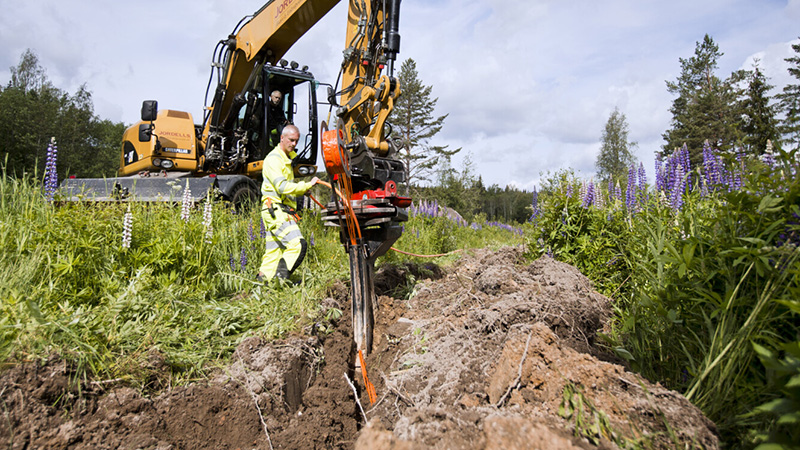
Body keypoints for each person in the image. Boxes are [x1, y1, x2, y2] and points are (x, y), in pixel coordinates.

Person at [258, 124, 319, 281]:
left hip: (277, 211)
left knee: (273, 253)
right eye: (291, 140)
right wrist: (307, 185)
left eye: (296, 141)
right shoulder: (274, 159)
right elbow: (282, 186)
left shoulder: (285, 159)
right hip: (275, 211)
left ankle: (262, 286)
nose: (293, 144)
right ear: (282, 138)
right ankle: (280, 282)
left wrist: (302, 191)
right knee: (298, 245)